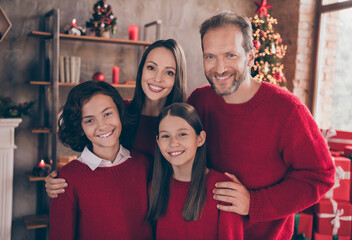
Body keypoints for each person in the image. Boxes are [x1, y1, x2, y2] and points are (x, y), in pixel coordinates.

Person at [187, 11, 335, 239]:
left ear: (250, 57)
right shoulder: (198, 101)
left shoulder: (288, 111)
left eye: (230, 55)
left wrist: (254, 203)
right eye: (210, 57)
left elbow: (321, 175)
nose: (219, 68)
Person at [45, 39, 187, 198]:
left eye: (169, 72)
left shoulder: (186, 121)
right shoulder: (118, 113)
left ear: (178, 77)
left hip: (172, 205)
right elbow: (92, 156)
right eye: (151, 67)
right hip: (126, 203)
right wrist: (60, 180)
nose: (157, 78)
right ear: (141, 70)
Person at [49, 80, 152, 240]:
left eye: (107, 114)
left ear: (119, 113)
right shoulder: (67, 178)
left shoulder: (144, 165)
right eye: (90, 120)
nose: (102, 125)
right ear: (80, 128)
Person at [146, 102, 243, 240]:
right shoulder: (154, 189)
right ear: (158, 141)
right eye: (165, 136)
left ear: (200, 138)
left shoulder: (223, 188)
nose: (173, 143)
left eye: (182, 134)